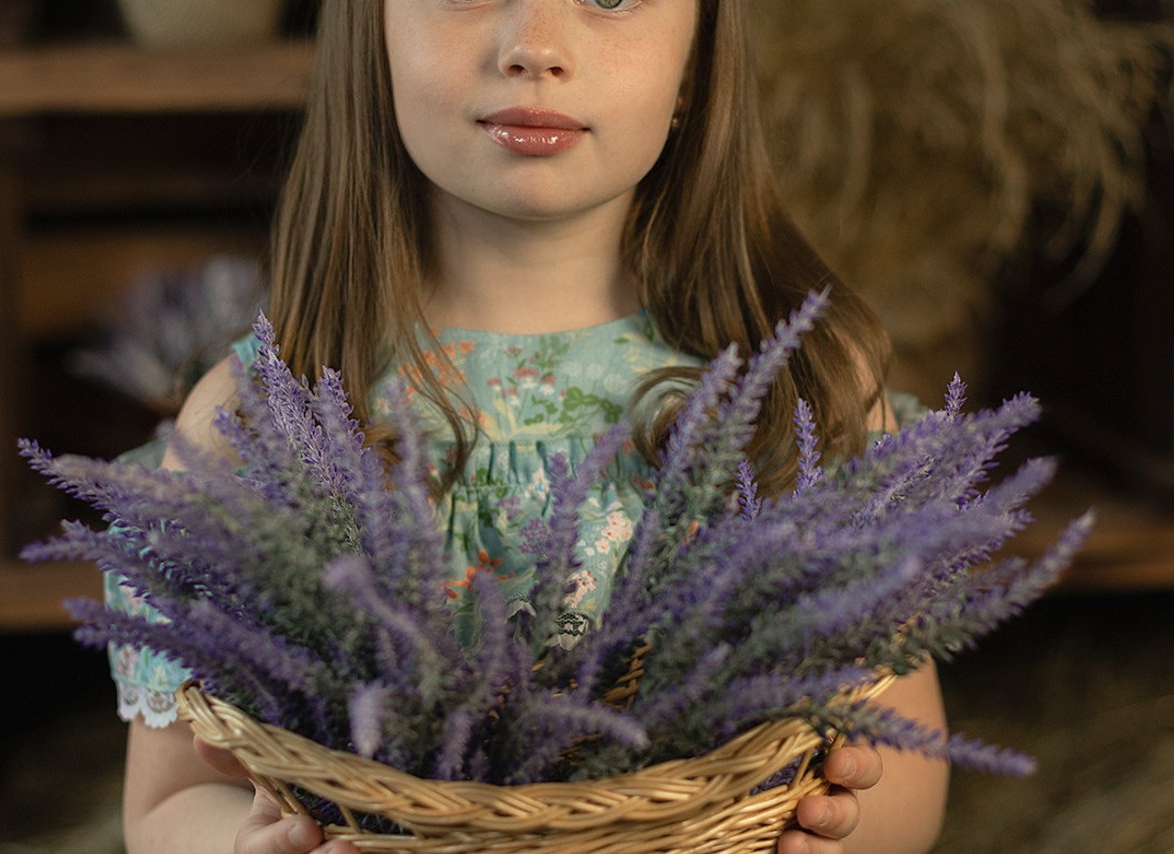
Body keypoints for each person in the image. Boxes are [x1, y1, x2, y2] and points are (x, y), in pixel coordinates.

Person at [109, 1, 950, 852]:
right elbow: (173, 798)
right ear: (373, 32)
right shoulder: (254, 424)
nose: (536, 48)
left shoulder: (806, 400)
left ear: (694, 62)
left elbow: (900, 756)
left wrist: (845, 830)